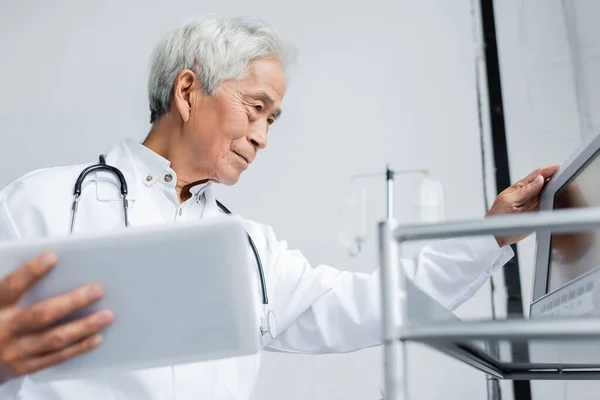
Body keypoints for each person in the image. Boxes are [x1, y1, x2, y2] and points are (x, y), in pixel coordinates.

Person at [0, 15, 560, 400]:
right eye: (256, 108)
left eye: (273, 120)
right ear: (189, 92)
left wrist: (492, 236)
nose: (263, 137)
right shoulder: (44, 204)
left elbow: (365, 304)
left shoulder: (248, 248)